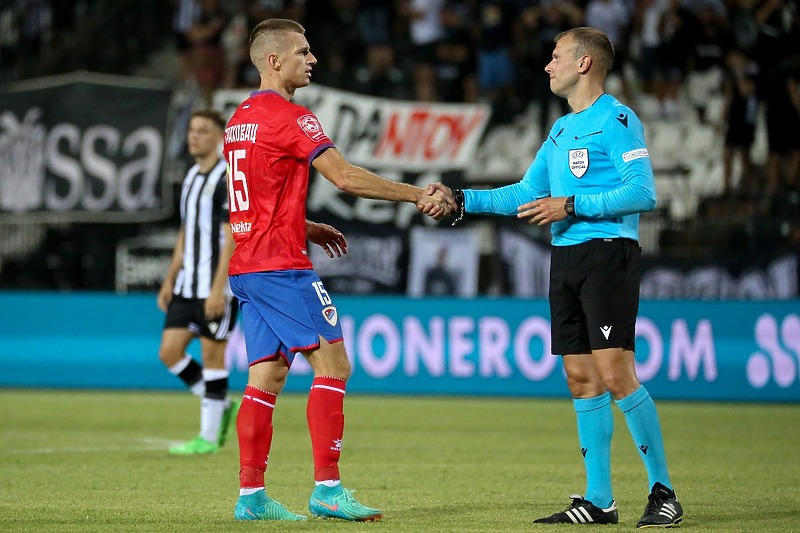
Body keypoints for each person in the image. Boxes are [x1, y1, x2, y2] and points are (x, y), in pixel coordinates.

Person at [425, 27, 683, 528]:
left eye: (556, 56)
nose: (548, 65)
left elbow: (643, 193)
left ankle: (664, 491)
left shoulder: (618, 119)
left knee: (615, 373)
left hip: (607, 253)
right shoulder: (562, 131)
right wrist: (462, 200)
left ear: (584, 64)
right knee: (580, 378)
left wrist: (572, 204)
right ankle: (599, 501)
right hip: (565, 259)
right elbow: (523, 192)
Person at [223, 18, 450, 522]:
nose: (313, 59)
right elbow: (345, 177)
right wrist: (417, 194)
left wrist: (303, 224)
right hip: (282, 269)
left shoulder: (239, 119)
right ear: (274, 60)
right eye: (303, 51)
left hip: (249, 267)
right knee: (335, 366)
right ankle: (327, 488)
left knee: (266, 377)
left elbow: (253, 201)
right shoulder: (292, 116)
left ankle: (251, 497)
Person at [156, 109, 238, 455]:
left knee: (211, 355)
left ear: (218, 137)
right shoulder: (190, 177)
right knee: (169, 352)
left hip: (215, 287)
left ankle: (207, 436)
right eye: (191, 130)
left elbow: (230, 236)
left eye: (202, 131)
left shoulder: (226, 179)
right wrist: (170, 277)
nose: (194, 137)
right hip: (187, 285)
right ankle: (219, 404)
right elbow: (186, 232)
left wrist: (219, 288)